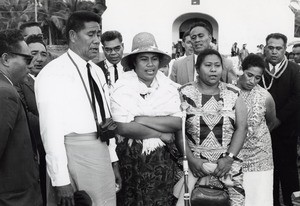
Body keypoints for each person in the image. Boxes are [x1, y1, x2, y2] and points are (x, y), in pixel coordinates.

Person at [35, 11, 121, 206]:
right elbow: (51, 132)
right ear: (73, 36)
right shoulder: (53, 73)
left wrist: (113, 160)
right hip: (73, 155)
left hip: (102, 153)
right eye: (90, 34)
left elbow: (106, 118)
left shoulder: (97, 71)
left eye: (98, 34)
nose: (97, 40)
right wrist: (60, 180)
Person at [110, 32, 182, 206]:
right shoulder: (122, 88)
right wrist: (161, 135)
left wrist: (139, 118)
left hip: (162, 161)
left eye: (154, 59)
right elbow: (123, 127)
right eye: (144, 59)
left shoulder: (168, 88)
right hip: (131, 160)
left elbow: (177, 122)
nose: (150, 65)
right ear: (134, 62)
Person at [175, 49, 247, 206]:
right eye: (208, 65)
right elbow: (178, 130)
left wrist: (229, 158)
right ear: (197, 68)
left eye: (217, 65)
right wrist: (192, 160)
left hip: (227, 167)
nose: (213, 69)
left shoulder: (233, 93)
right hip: (193, 164)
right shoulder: (183, 92)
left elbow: (242, 128)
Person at [0, 29, 42, 205]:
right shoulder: (4, 93)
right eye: (27, 59)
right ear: (6, 59)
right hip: (13, 198)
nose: (31, 65)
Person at [259, 33, 300, 206]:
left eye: (278, 48)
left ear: (285, 50)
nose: (274, 51)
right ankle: (271, 201)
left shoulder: (294, 69)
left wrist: (278, 119)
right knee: (269, 171)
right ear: (265, 48)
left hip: (287, 129)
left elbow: (296, 97)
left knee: (289, 170)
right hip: (263, 130)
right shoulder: (258, 69)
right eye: (271, 47)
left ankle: (292, 202)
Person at [237, 54, 277, 206]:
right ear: (242, 70)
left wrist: (256, 138)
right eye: (249, 75)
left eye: (257, 78)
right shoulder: (229, 91)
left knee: (260, 197)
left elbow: (271, 122)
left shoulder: (265, 96)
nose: (252, 81)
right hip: (234, 156)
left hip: (260, 156)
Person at [15, 34, 48, 205]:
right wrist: (52, 126)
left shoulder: (52, 80)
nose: (39, 59)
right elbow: (25, 115)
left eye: (44, 54)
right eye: (34, 53)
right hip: (34, 150)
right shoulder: (19, 81)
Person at [170, 22, 237, 85]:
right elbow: (171, 92)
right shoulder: (178, 65)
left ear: (210, 38)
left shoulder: (226, 64)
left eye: (201, 36)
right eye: (193, 37)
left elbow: (234, 92)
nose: (197, 40)